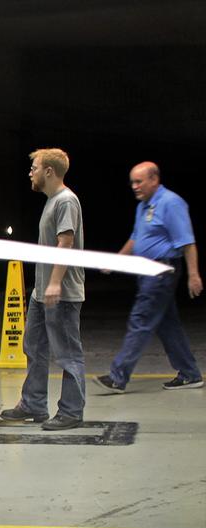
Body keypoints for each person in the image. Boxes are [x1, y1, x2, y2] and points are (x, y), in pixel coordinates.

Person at [93, 161, 203, 393]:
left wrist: (194, 275)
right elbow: (136, 238)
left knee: (141, 319)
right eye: (132, 182)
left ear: (154, 180)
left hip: (161, 271)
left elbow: (187, 242)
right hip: (146, 271)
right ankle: (190, 374)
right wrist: (116, 260)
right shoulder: (143, 206)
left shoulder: (171, 203)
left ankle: (118, 377)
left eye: (139, 181)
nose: (134, 186)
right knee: (167, 324)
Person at [1, 147, 86, 430]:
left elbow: (66, 242)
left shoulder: (66, 201)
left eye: (34, 168)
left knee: (67, 353)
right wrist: (40, 289)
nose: (31, 172)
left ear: (49, 171)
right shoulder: (51, 201)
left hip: (60, 293)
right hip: (41, 294)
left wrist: (53, 284)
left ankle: (71, 411)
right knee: (34, 347)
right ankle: (33, 403)